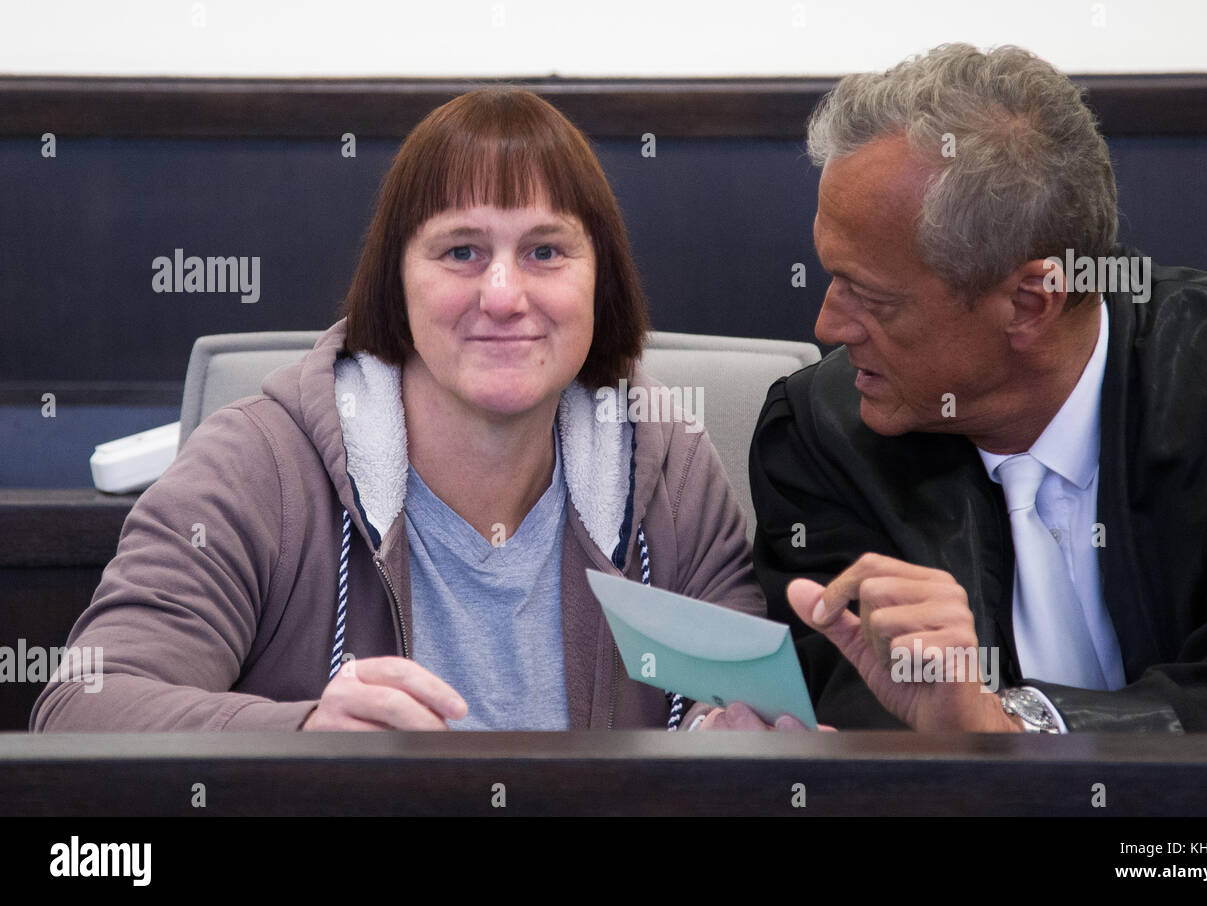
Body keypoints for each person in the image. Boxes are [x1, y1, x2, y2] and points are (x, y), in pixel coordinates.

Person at [31, 87, 764, 732]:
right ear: (395, 283)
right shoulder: (254, 468)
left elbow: (736, 706)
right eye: (461, 252)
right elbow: (82, 711)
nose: (505, 296)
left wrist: (737, 733)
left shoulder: (670, 466)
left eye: (545, 252)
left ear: (601, 286)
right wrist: (307, 734)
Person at [748, 43, 1207, 732]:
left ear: (1031, 303)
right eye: (832, 276)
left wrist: (1012, 728)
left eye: (874, 299)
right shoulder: (822, 438)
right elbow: (863, 722)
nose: (827, 324)